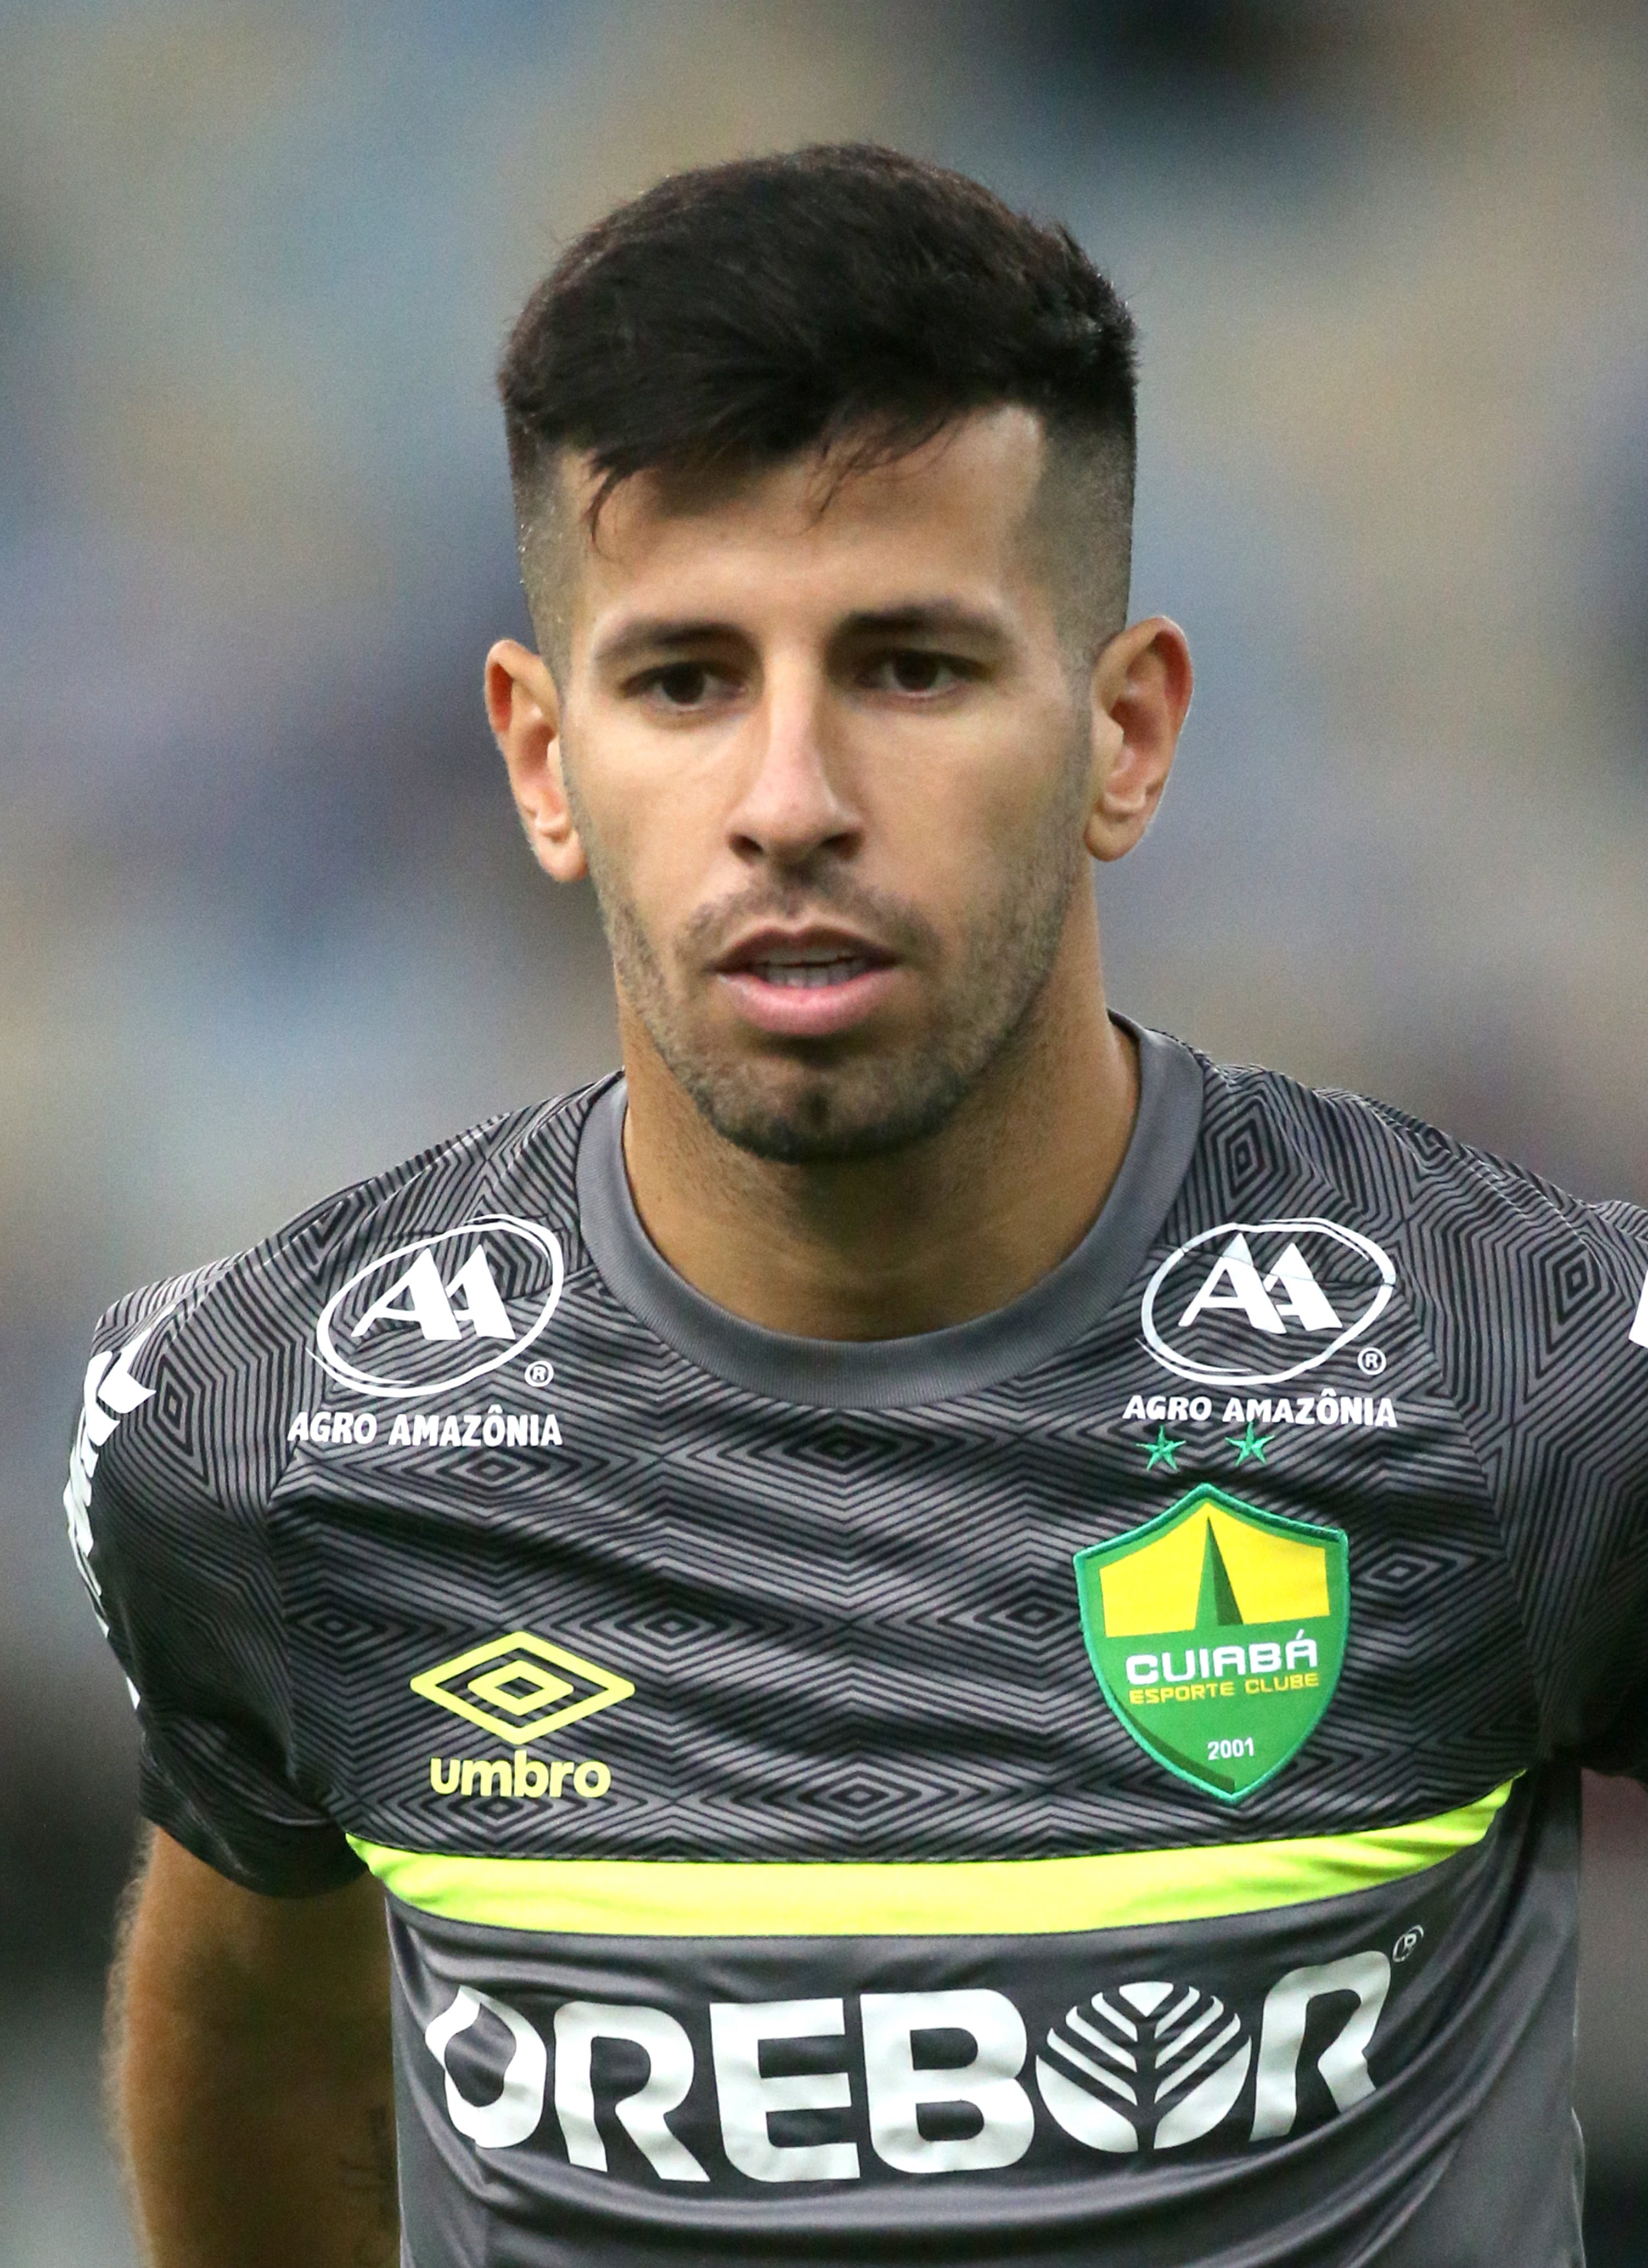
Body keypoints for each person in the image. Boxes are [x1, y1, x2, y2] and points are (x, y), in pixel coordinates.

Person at [68, 143, 1648, 2268]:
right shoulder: (274, 1428)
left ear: (1125, 731)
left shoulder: (1527, 1376)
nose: (791, 800)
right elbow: (256, 2039)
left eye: (908, 665)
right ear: (541, 758)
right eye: (685, 680)